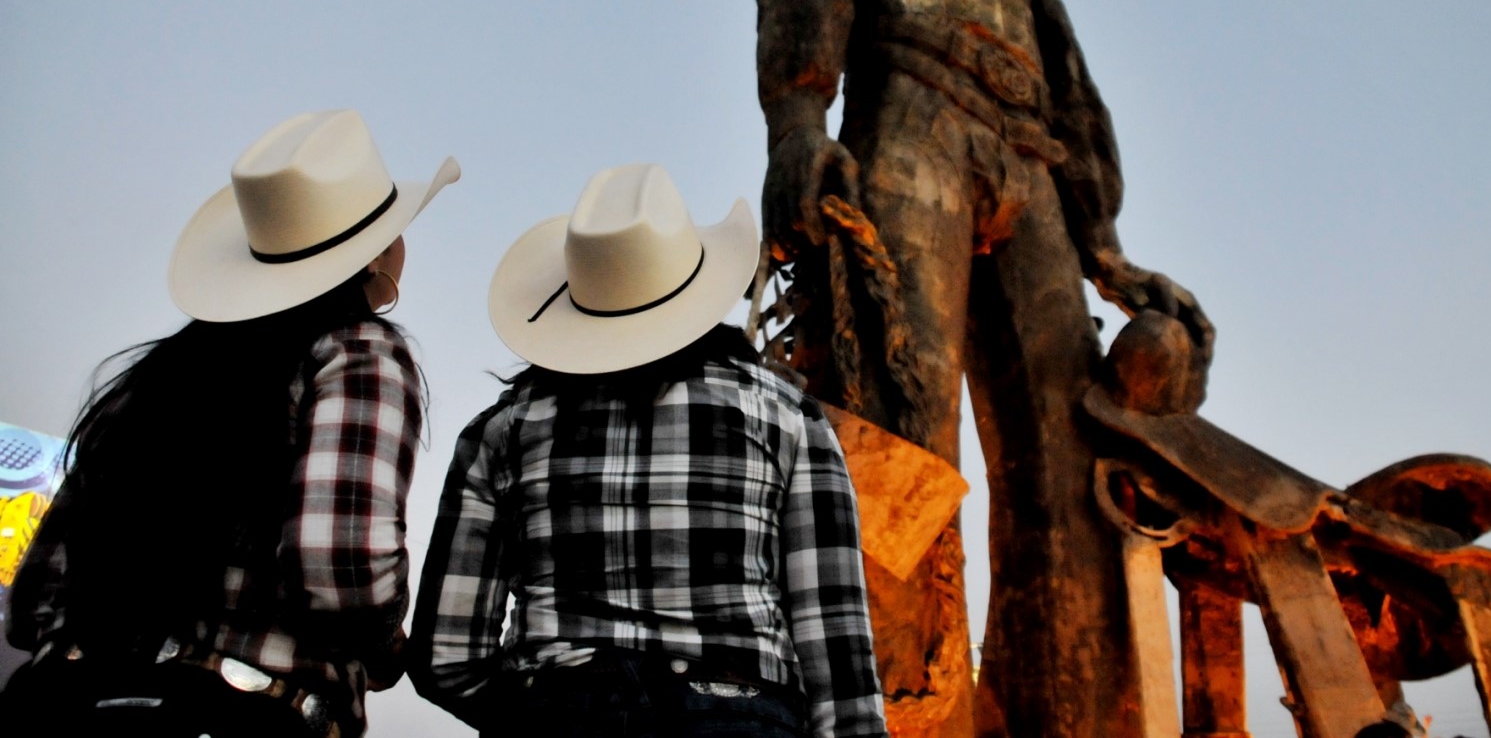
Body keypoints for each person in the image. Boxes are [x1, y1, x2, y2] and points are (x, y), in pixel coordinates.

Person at [756, 0, 1213, 736]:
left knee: (1067, 453)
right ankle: (905, 711)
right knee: (893, 417)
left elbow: (1074, 90)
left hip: (1030, 160)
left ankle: (1070, 707)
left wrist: (1106, 248)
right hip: (910, 116)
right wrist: (798, 118)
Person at [3, 109, 458, 737]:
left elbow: (31, 608)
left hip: (57, 701)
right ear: (376, 254)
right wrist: (385, 651)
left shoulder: (155, 377)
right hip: (237, 712)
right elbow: (338, 571)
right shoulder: (357, 353)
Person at [409, 163, 888, 738]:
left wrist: (534, 714)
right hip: (740, 715)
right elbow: (838, 658)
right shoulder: (789, 418)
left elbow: (446, 658)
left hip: (559, 710)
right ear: (697, 288)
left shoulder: (502, 430)